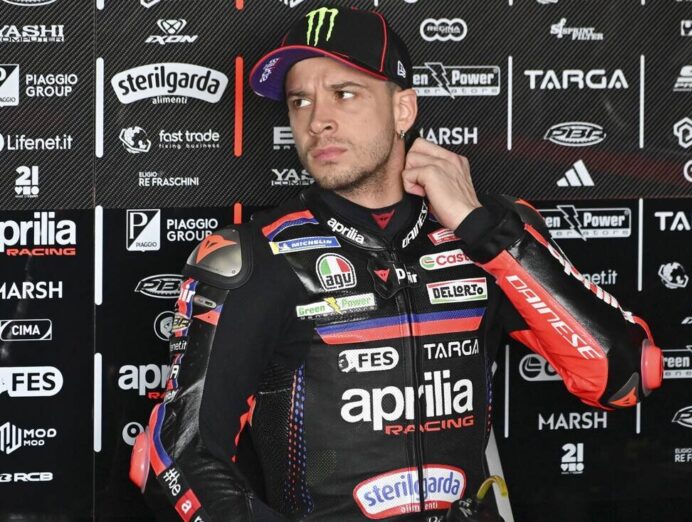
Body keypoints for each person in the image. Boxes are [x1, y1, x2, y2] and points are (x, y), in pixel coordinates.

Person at [129, 6, 663, 521]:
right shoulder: (254, 258)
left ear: (403, 110)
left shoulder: (490, 232)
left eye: (344, 94)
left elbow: (623, 376)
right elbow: (172, 458)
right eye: (300, 102)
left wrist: (484, 232)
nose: (318, 121)